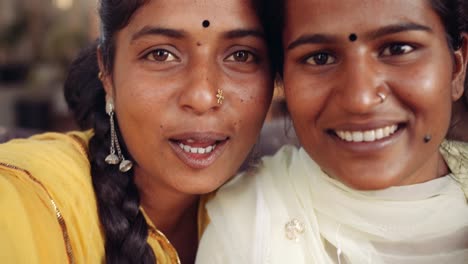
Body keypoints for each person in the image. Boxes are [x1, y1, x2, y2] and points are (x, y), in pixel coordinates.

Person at [0, 0, 277, 263]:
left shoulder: (280, 209)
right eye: (161, 54)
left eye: (241, 55)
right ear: (106, 72)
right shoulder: (27, 198)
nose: (203, 97)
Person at [196, 0, 468, 263]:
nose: (359, 99)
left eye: (397, 49)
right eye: (320, 57)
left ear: (457, 67)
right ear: (283, 80)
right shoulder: (248, 223)